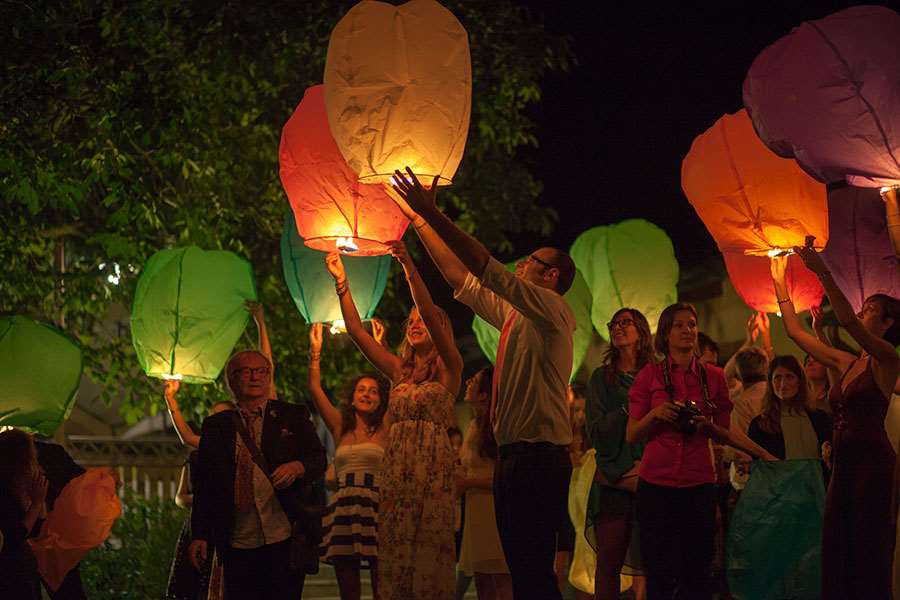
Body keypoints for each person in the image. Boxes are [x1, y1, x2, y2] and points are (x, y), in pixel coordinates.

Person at [389, 168, 576, 600]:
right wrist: (419, 221)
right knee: (522, 568)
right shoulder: (514, 315)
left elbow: (483, 266)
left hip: (539, 456)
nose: (523, 263)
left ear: (550, 277)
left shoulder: (551, 309)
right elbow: (461, 277)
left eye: (533, 261)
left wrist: (432, 214)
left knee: (534, 571)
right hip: (514, 455)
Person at [325, 238, 463, 600]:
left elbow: (431, 312)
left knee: (429, 555)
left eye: (423, 319)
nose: (416, 324)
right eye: (412, 320)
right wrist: (342, 281)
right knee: (396, 555)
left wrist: (409, 268)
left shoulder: (450, 368)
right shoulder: (397, 372)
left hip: (432, 472)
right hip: (397, 472)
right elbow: (356, 331)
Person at [771, 245, 899, 600]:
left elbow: (847, 322)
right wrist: (778, 277)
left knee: (869, 549)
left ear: (888, 324)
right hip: (843, 464)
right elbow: (796, 334)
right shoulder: (848, 362)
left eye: (870, 310)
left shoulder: (887, 359)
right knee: (838, 545)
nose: (861, 312)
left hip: (872, 466)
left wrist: (821, 270)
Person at [626, 303, 774, 600]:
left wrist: (762, 454)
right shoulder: (649, 375)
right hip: (657, 484)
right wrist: (657, 415)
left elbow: (725, 431)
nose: (687, 330)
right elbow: (632, 434)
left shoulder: (714, 377)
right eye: (679, 325)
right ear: (665, 334)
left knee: (698, 571)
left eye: (692, 324)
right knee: (658, 571)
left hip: (698, 483)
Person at [188, 350, 327, 600]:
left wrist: (297, 466)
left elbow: (318, 458)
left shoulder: (292, 415)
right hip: (237, 535)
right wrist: (199, 534)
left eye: (262, 371)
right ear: (232, 379)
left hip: (283, 530)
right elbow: (205, 484)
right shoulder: (216, 426)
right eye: (246, 371)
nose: (255, 377)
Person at [308, 322, 389, 600]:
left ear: (381, 400)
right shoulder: (340, 426)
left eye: (374, 391)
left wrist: (379, 348)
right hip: (344, 506)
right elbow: (315, 388)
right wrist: (315, 351)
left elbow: (396, 381)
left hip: (376, 505)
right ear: (352, 398)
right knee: (348, 586)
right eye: (361, 390)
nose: (367, 394)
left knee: (382, 582)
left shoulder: (385, 428)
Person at [584, 308, 653, 600]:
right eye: (614, 324)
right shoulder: (603, 378)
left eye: (626, 322)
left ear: (641, 330)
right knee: (609, 562)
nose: (618, 328)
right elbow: (596, 430)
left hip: (651, 473)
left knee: (655, 560)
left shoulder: (656, 374)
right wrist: (628, 408)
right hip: (615, 474)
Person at [165, 381, 236, 600]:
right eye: (214, 417)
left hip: (233, 526)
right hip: (204, 525)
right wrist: (170, 400)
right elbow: (187, 437)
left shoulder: (245, 448)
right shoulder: (203, 452)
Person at [457, 367, 512, 600]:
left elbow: (506, 476)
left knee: (501, 579)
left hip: (494, 509)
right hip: (475, 511)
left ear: (484, 393)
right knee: (482, 580)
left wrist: (469, 481)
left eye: (474, 381)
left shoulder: (497, 425)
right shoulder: (472, 425)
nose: (468, 383)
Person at [30, 436, 87, 600]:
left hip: (42, 543)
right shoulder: (53, 453)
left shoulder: (10, 455)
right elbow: (82, 484)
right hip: (57, 541)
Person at [747, 356, 832, 466]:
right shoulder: (760, 425)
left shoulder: (820, 419)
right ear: (771, 383)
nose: (783, 384)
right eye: (777, 378)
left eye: (789, 377)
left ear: (800, 381)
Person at [0, 429, 48, 600]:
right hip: (10, 580)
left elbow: (36, 530)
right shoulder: (3, 494)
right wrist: (36, 504)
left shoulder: (15, 491)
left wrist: (38, 499)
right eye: (31, 457)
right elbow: (14, 536)